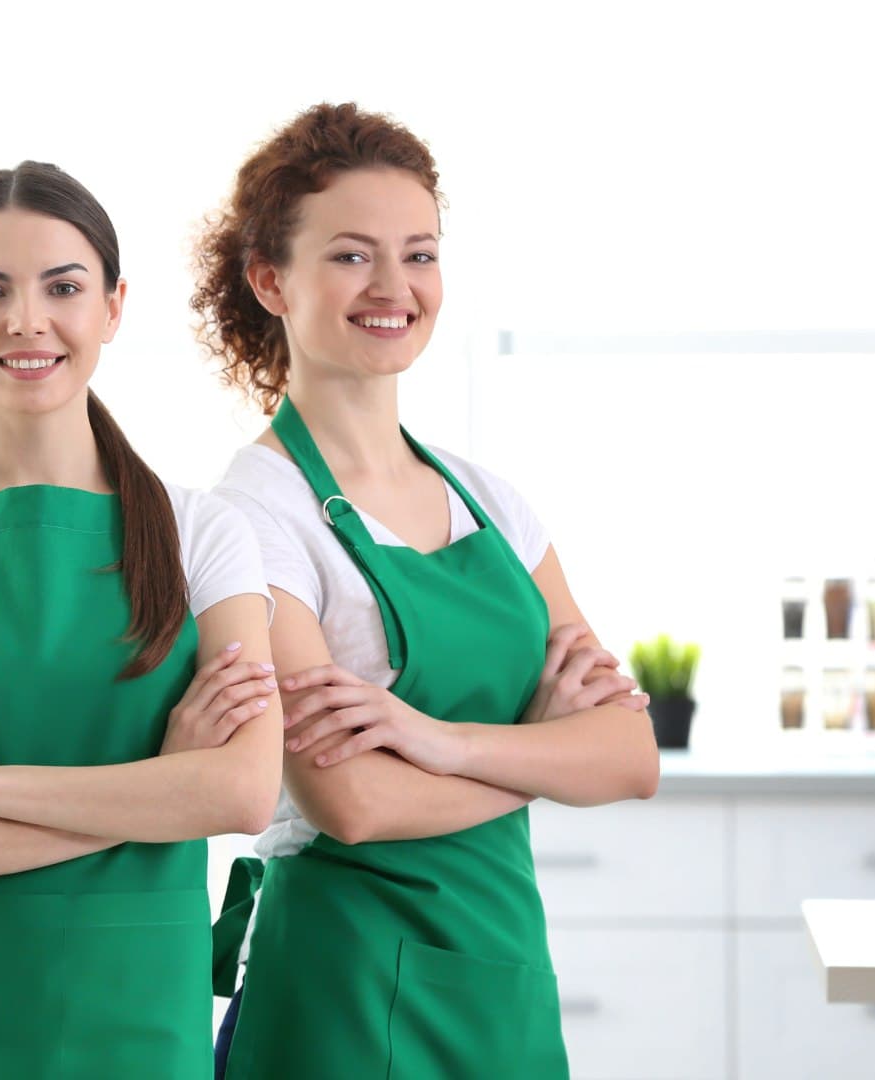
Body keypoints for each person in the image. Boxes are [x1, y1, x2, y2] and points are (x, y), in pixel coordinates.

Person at [196, 103, 660, 1080]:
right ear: (270, 278)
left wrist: (432, 738)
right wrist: (545, 751)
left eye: (419, 253)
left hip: (501, 982)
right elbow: (348, 799)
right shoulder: (255, 514)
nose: (394, 287)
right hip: (342, 999)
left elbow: (629, 756)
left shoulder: (487, 501)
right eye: (353, 256)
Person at [0, 161, 281, 1080]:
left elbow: (240, 793)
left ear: (112, 307)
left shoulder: (206, 535)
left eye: (62, 287)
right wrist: (156, 787)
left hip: (138, 1016)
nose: (28, 320)